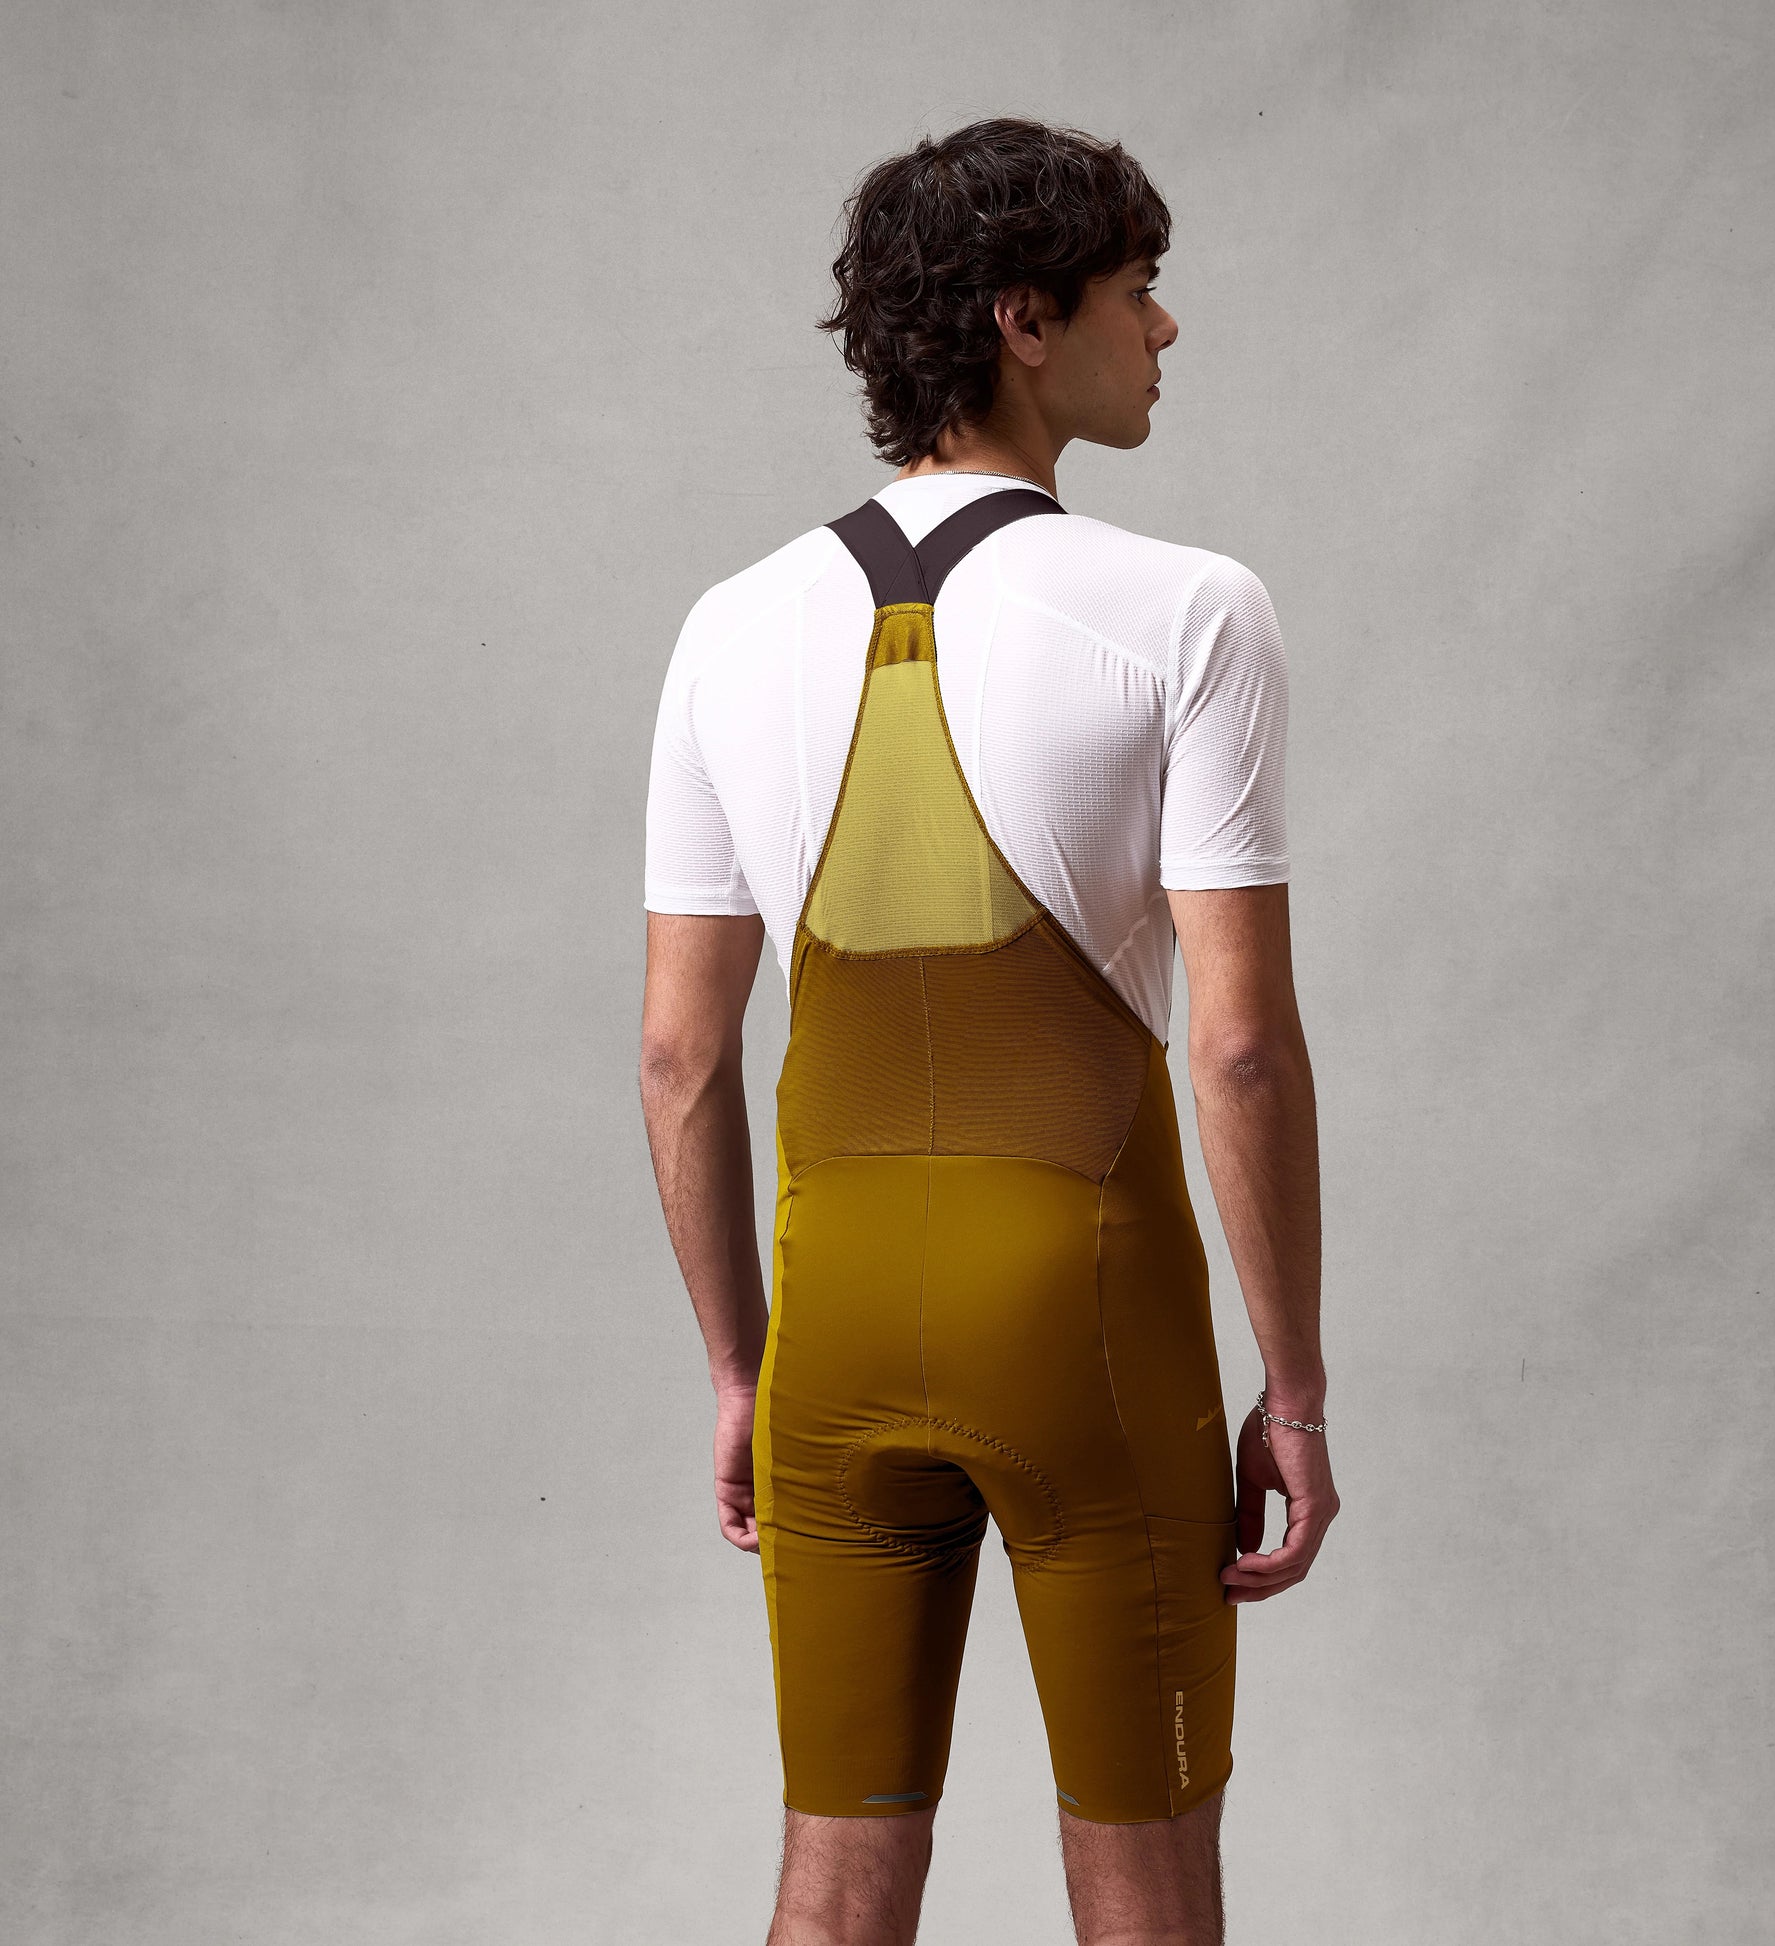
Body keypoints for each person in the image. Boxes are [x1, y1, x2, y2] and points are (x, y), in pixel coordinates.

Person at [639, 116, 1336, 1946]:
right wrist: (1294, 1389)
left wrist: (740, 1370)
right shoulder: (1190, 610)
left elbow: (681, 1059)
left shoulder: (725, 627)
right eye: (1137, 291)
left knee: (834, 1882)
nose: (1163, 330)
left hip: (835, 1325)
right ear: (1026, 319)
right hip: (1084, 1316)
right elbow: (1239, 1049)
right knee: (1146, 1891)